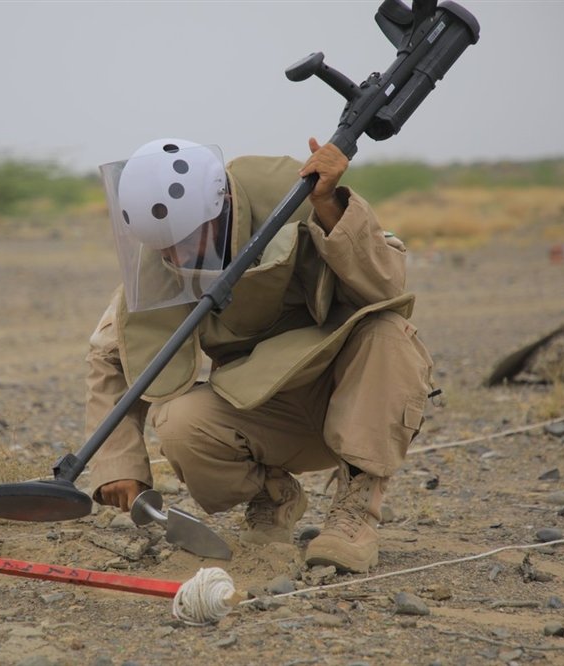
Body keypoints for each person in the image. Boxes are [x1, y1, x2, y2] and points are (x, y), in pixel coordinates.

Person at [85, 137, 434, 573]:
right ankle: (273, 498)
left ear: (221, 205)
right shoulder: (162, 258)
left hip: (349, 390)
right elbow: (112, 355)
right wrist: (118, 464)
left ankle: (355, 516)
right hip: (264, 409)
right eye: (163, 248)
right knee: (178, 423)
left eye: (186, 241)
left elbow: (387, 286)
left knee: (389, 334)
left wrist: (329, 207)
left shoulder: (299, 198)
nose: (176, 256)